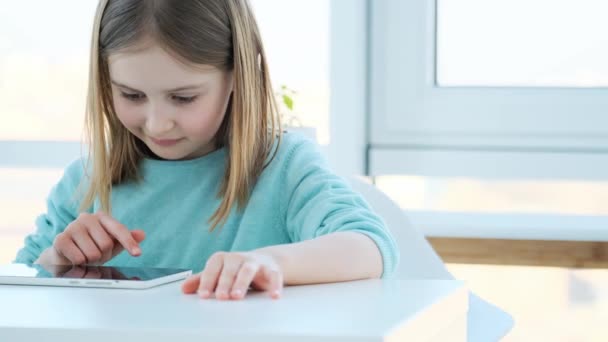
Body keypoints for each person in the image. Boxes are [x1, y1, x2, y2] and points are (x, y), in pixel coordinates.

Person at [15, 0, 399, 300]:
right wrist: (59, 262)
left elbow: (371, 247)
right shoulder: (85, 183)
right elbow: (17, 287)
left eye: (183, 98)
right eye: (131, 95)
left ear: (236, 77)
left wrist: (269, 261)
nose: (157, 123)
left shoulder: (283, 168)